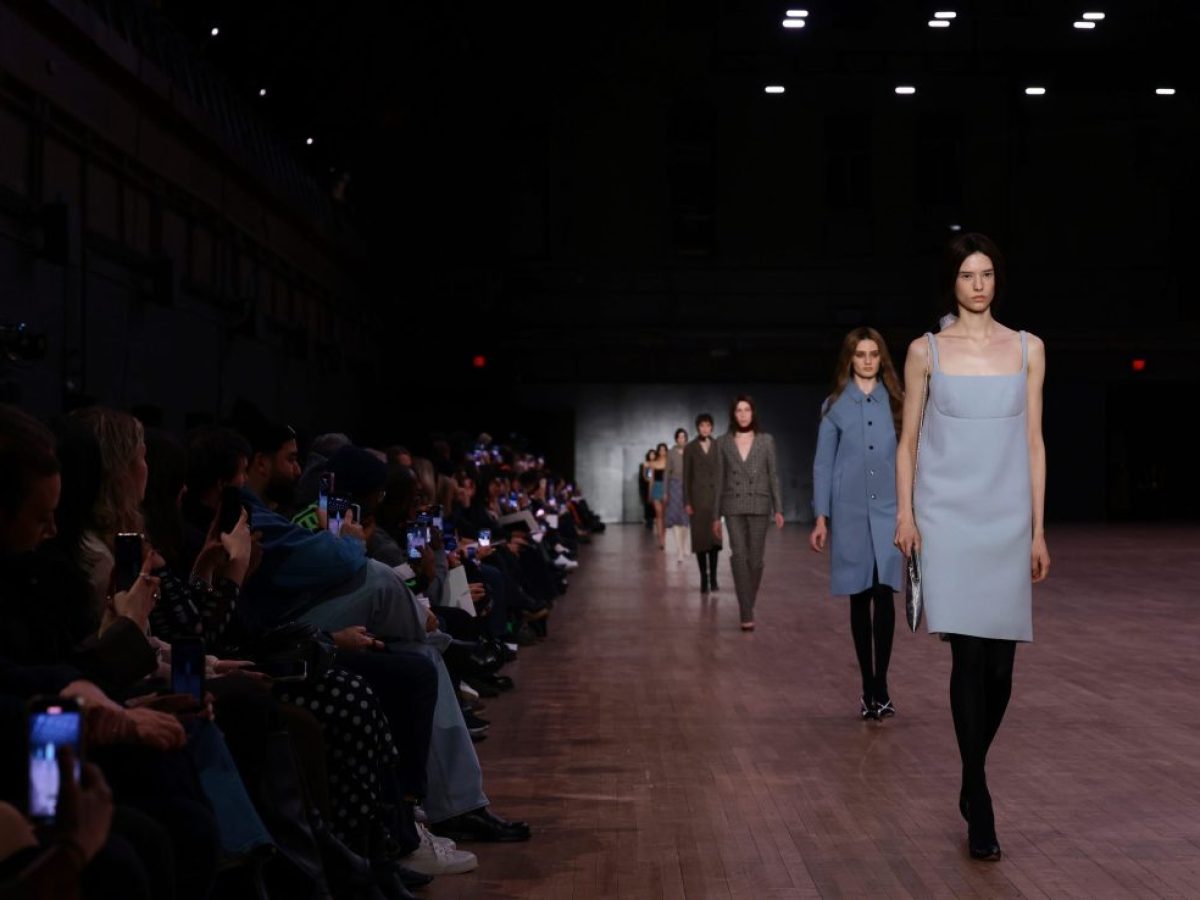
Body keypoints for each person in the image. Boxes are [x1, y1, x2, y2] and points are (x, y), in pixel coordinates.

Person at [894, 232, 1050, 863]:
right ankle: (980, 800)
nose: (978, 285)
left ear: (997, 279)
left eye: (986, 274)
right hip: (948, 517)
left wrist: (1038, 529)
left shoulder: (1029, 348)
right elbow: (909, 442)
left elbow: (1035, 441)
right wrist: (906, 515)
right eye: (967, 275)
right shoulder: (925, 351)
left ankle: (969, 771)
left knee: (1002, 670)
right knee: (967, 656)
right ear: (952, 283)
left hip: (1007, 516)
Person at [810, 327, 906, 721]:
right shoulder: (834, 405)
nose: (867, 361)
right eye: (860, 354)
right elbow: (823, 463)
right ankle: (867, 686)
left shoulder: (898, 404)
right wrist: (821, 516)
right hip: (850, 512)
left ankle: (881, 685)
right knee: (859, 596)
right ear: (849, 359)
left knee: (885, 595)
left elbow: (910, 459)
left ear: (882, 359)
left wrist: (911, 512)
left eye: (873, 354)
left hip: (890, 510)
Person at [712, 397, 784, 630]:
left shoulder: (766, 440)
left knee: (756, 560)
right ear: (733, 414)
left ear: (753, 413)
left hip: (759, 504)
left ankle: (746, 602)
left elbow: (772, 475)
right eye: (739, 410)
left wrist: (778, 508)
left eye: (747, 410)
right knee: (739, 555)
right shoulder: (723, 442)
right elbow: (719, 480)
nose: (743, 414)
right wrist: (715, 515)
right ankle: (746, 612)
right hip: (732, 505)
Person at [682, 414, 721, 594]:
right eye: (702, 426)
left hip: (714, 500)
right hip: (697, 501)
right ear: (697, 427)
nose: (705, 429)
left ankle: (714, 579)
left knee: (715, 542)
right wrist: (687, 501)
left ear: (712, 427)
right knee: (700, 542)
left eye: (708, 425)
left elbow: (722, 473)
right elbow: (686, 477)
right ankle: (703, 580)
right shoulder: (690, 448)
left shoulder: (718, 446)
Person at [662, 429, 690, 565]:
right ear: (676, 439)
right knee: (675, 518)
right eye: (679, 437)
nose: (681, 439)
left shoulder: (691, 451)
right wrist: (665, 491)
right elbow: (667, 472)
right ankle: (679, 550)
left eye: (683, 437)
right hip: (674, 486)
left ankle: (683, 545)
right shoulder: (671, 452)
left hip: (688, 486)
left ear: (686, 438)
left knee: (685, 519)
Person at [648, 444, 667, 549]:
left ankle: (664, 537)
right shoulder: (652, 463)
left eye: (664, 450)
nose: (662, 451)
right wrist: (649, 493)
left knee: (664, 516)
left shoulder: (669, 463)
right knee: (658, 515)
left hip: (665, 489)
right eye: (660, 450)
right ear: (658, 451)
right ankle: (661, 540)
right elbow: (650, 479)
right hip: (656, 488)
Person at [637, 450, 656, 530]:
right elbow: (644, 477)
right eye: (651, 454)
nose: (652, 456)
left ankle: (653, 519)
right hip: (646, 486)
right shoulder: (644, 464)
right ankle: (648, 520)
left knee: (654, 504)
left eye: (653, 454)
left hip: (656, 485)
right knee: (647, 503)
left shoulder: (658, 464)